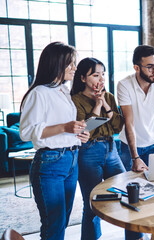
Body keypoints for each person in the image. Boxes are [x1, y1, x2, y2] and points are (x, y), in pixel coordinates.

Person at [19, 41, 90, 240]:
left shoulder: (63, 91)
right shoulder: (38, 93)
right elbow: (25, 132)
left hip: (71, 159)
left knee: (62, 220)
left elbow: (63, 126)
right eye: (71, 64)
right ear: (57, 64)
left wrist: (77, 134)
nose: (75, 68)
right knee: (54, 223)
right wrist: (65, 127)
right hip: (50, 163)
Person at [70, 57, 127, 240]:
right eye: (95, 75)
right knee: (92, 203)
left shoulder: (108, 96)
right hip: (88, 152)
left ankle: (136, 237)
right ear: (82, 78)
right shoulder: (75, 99)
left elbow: (118, 126)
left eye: (103, 74)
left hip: (112, 149)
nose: (101, 79)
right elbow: (84, 129)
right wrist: (97, 105)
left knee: (127, 192)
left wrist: (106, 104)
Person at [117, 45, 154, 174]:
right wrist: (135, 157)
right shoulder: (124, 85)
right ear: (136, 68)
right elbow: (129, 122)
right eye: (150, 67)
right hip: (129, 146)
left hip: (152, 143)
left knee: (151, 184)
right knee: (129, 186)